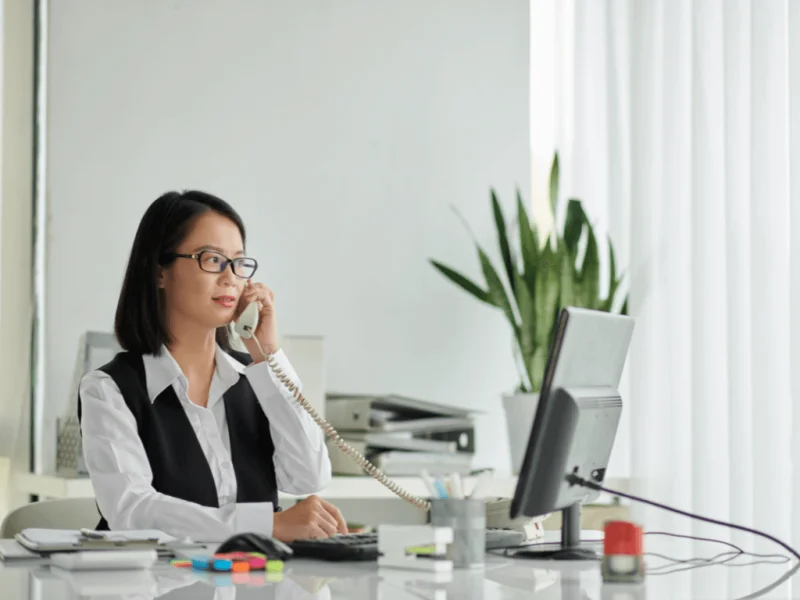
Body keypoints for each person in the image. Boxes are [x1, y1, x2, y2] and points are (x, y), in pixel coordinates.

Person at [78, 190, 346, 543]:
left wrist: (267, 356)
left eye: (238, 262)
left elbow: (309, 477)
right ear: (160, 272)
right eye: (212, 259)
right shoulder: (109, 389)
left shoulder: (257, 379)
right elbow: (132, 509)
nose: (231, 277)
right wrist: (266, 526)